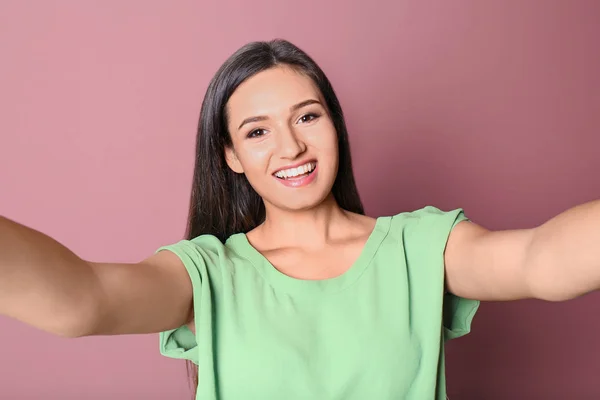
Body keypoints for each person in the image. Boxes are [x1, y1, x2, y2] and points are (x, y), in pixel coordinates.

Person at [1, 39, 598, 400]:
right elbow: (81, 300)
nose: (289, 148)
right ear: (231, 157)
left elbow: (541, 261)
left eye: (307, 117)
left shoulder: (419, 247)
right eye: (257, 131)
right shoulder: (209, 272)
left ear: (334, 126)